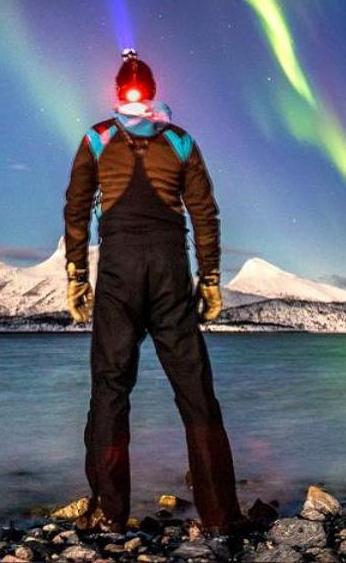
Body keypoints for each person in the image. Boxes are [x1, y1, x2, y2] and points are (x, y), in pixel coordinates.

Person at [63, 49, 242, 535]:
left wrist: (76, 275)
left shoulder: (97, 138)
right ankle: (220, 516)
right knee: (195, 390)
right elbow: (205, 213)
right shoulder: (181, 140)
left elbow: (76, 210)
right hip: (168, 268)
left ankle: (108, 512)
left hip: (120, 270)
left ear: (118, 93)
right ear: (154, 91)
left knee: (110, 387)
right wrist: (209, 279)